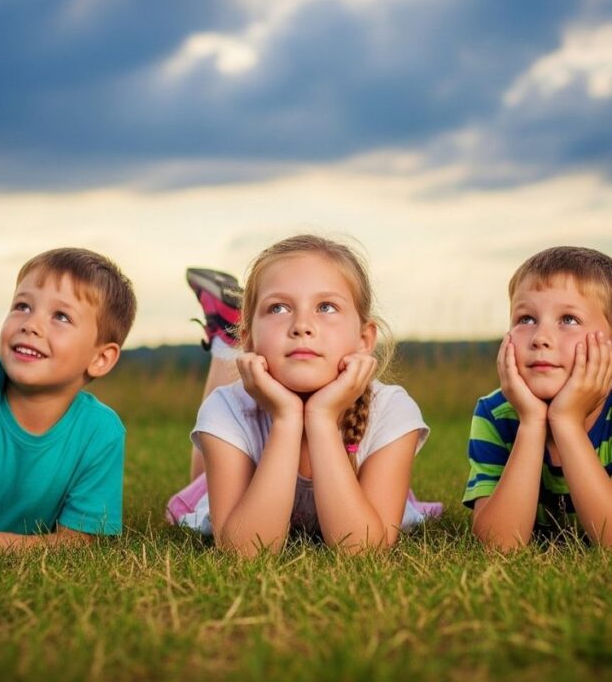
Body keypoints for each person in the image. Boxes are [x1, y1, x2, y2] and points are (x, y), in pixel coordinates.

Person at [168, 234, 441, 556]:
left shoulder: (391, 409)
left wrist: (321, 419)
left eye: (326, 307)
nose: (301, 325)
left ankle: (222, 334)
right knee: (204, 479)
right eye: (279, 308)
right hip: (243, 475)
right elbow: (245, 550)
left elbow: (362, 549)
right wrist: (286, 419)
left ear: (364, 339)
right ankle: (223, 342)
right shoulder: (226, 407)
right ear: (249, 340)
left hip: (357, 485)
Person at [0, 247, 137, 564]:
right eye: (22, 306)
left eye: (61, 316)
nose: (32, 324)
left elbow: (78, 541)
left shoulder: (101, 432)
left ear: (100, 358)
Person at [463, 246, 612, 549]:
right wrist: (531, 422)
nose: (540, 337)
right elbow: (499, 544)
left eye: (569, 319)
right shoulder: (495, 413)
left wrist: (566, 423)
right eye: (526, 319)